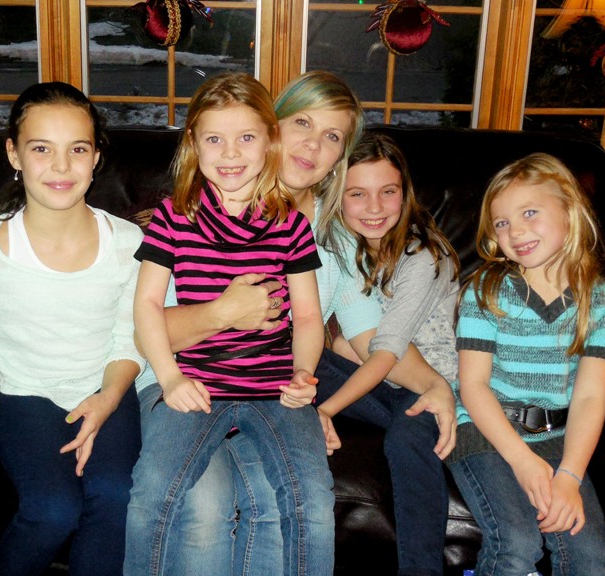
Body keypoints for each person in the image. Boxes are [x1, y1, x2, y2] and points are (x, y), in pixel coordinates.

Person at [130, 71, 458, 575]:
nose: (313, 144)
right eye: (303, 122)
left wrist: (435, 384)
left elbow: (369, 336)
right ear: (273, 127)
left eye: (332, 136)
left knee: (280, 501)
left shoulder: (332, 234)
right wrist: (225, 312)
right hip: (179, 379)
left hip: (270, 387)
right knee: (206, 506)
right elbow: (146, 328)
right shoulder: (187, 212)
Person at [125, 71, 332, 576]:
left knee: (313, 503)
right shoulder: (174, 217)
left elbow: (307, 315)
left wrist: (303, 372)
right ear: (194, 144)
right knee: (153, 493)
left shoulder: (291, 225)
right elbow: (147, 306)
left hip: (275, 389)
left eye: (246, 138)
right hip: (196, 384)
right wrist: (169, 378)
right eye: (214, 139)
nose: (231, 153)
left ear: (270, 141)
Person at [0, 82, 143, 576]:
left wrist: (107, 399)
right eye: (41, 149)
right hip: (27, 396)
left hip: (107, 389)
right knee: (53, 510)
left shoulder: (128, 242)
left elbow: (130, 336)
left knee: (116, 496)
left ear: (96, 157)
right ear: (14, 154)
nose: (61, 166)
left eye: (77, 149)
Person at [446, 153, 605, 576]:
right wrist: (522, 461)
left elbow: (589, 398)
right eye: (502, 222)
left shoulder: (603, 304)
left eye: (530, 213)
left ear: (570, 211)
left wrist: (569, 476)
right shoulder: (485, 291)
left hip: (557, 438)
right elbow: (473, 386)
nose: (515, 231)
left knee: (591, 558)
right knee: (517, 542)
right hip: (484, 429)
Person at [311, 131, 460, 576]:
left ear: (404, 193)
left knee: (406, 438)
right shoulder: (345, 246)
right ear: (338, 198)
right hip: (378, 382)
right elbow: (342, 339)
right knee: (295, 362)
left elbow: (387, 350)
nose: (374, 207)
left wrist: (328, 408)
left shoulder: (423, 255)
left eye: (387, 192)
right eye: (358, 194)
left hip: (425, 385)